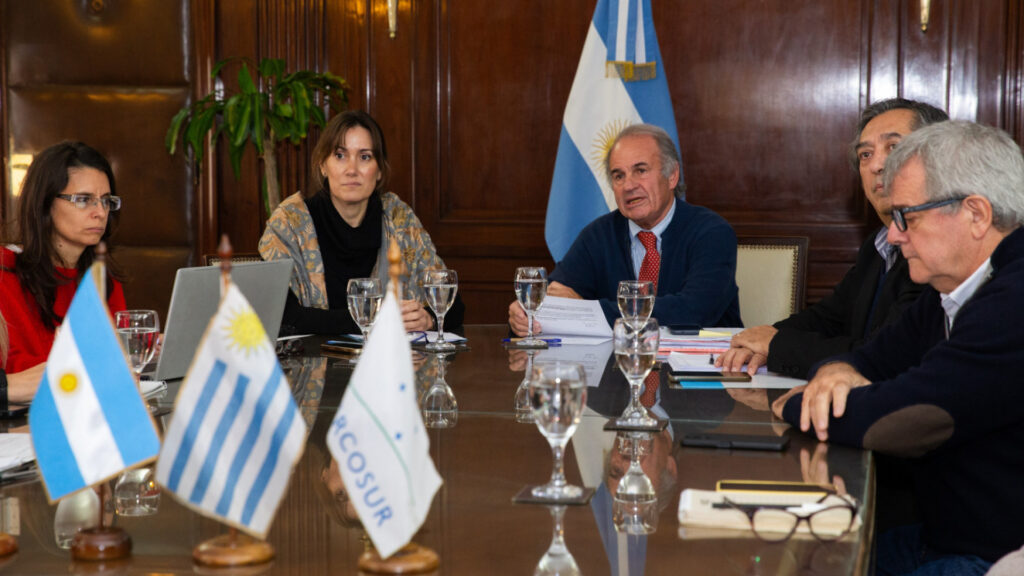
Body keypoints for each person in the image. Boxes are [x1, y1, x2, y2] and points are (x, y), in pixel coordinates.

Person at [772, 120, 1024, 574]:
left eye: (908, 216)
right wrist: (835, 371)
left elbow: (905, 418)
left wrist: (797, 404)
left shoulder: (1013, 299)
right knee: (795, 560)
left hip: (995, 557)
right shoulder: (949, 290)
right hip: (942, 535)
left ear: (976, 214)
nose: (893, 234)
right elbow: (870, 357)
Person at [718, 99, 947, 377]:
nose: (877, 165)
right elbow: (830, 316)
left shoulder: (940, 248)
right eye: (865, 154)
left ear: (937, 158)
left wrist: (776, 344)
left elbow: (886, 355)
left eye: (894, 147)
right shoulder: (877, 245)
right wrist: (761, 340)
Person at [509, 124, 741, 334]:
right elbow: (554, 296)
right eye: (619, 176)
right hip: (619, 363)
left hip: (705, 364)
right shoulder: (598, 235)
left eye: (641, 170)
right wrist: (526, 313)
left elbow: (693, 311)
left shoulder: (712, 233)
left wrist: (588, 311)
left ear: (672, 176)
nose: (628, 185)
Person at [259, 110, 464, 335]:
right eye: (340, 155)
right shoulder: (289, 223)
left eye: (365, 157)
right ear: (322, 165)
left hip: (388, 357)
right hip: (313, 357)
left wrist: (428, 318)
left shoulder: (398, 219)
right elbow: (281, 315)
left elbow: (452, 303)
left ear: (379, 171)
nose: (352, 170)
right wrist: (375, 319)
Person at [0, 141, 126, 374]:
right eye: (83, 200)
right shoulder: (5, 273)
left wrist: (139, 350)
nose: (100, 212)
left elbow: (115, 360)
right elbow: (9, 372)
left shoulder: (104, 279)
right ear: (45, 203)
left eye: (106, 200)